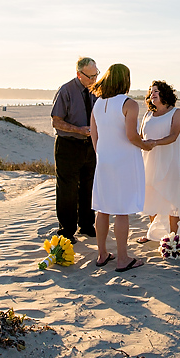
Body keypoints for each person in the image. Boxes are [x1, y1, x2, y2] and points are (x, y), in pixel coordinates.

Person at [89, 64, 151, 272]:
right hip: (124, 161)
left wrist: (101, 154)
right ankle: (123, 258)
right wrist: (146, 145)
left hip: (104, 160)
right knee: (121, 210)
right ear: (125, 80)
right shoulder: (129, 104)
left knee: (103, 208)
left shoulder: (98, 103)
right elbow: (131, 136)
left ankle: (102, 254)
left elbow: (94, 134)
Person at [51, 57, 99, 244]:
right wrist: (79, 129)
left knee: (89, 187)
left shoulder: (97, 90)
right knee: (67, 189)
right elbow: (56, 121)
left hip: (91, 147)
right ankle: (67, 230)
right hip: (68, 145)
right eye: (90, 76)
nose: (94, 79)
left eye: (96, 74)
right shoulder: (66, 90)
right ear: (79, 74)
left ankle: (87, 225)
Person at [138, 80, 180, 243]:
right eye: (151, 91)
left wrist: (154, 143)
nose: (152, 94)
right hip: (149, 160)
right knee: (150, 195)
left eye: (156, 91)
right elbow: (141, 137)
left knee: (172, 197)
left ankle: (173, 237)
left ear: (165, 94)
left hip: (170, 161)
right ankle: (153, 233)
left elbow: (173, 136)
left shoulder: (176, 113)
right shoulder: (147, 115)